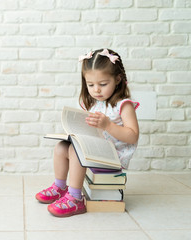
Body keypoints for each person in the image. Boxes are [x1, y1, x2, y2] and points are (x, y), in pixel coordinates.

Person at [35, 48, 140, 217]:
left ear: (118, 79)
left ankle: (75, 198)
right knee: (62, 147)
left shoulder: (123, 105)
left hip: (114, 156)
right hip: (97, 150)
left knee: (75, 151)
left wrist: (108, 125)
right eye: (91, 85)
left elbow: (133, 135)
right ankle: (60, 186)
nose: (96, 90)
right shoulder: (94, 104)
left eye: (103, 84)